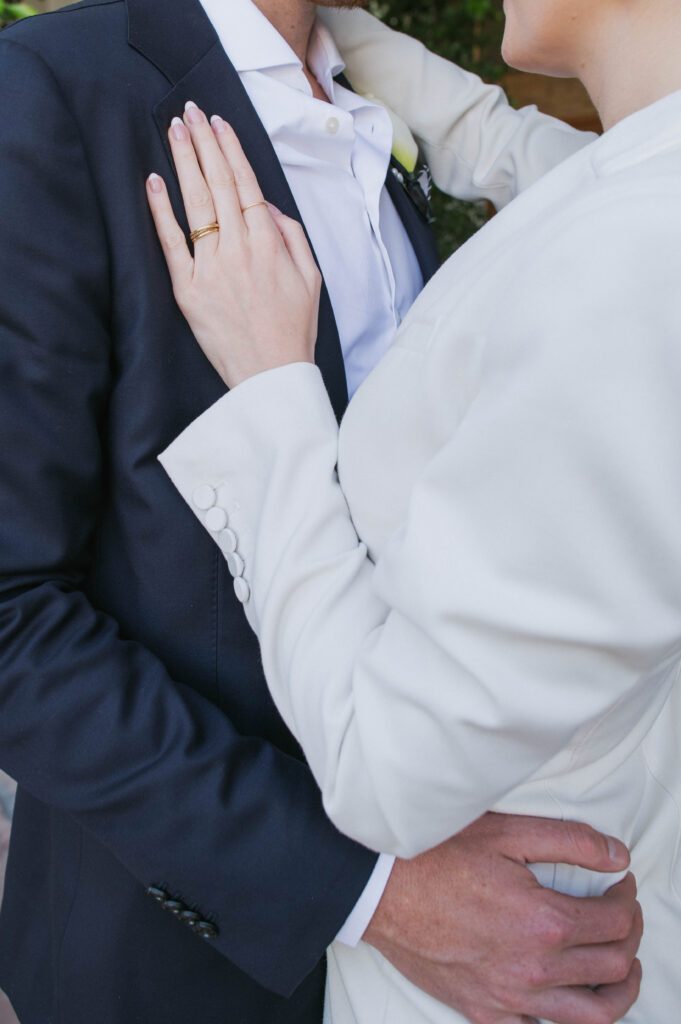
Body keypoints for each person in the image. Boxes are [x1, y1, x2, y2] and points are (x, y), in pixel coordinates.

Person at [0, 0, 642, 1022]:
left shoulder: (376, 113)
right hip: (177, 977)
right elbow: (10, 617)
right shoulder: (48, 88)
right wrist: (371, 892)